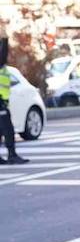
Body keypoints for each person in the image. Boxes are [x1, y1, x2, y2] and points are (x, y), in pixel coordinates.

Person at [0, 35, 30, 165]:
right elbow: (3, 55)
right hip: (0, 103)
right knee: (8, 129)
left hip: (2, 101)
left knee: (1, 130)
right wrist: (5, 39)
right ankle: (12, 155)